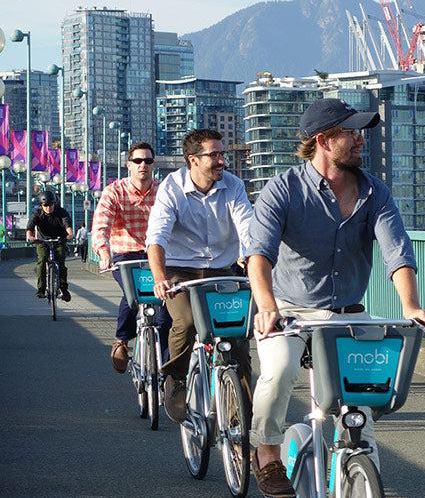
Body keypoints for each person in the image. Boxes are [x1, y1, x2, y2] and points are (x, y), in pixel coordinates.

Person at [245, 97, 425, 498]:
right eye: (350, 133)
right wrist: (266, 306)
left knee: (359, 414)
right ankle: (265, 452)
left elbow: (396, 252)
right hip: (290, 311)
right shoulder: (283, 190)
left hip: (348, 313)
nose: (359, 140)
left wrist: (411, 305)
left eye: (359, 132)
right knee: (279, 373)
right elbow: (258, 255)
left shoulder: (373, 192)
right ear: (324, 140)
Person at [146, 128, 254, 423]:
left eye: (223, 154)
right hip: (180, 270)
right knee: (187, 320)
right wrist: (160, 278)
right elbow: (156, 237)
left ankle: (242, 414)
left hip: (221, 269)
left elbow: (247, 226)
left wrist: (250, 257)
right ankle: (176, 378)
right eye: (214, 155)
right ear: (193, 160)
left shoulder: (233, 185)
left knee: (238, 339)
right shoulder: (172, 188)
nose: (222, 161)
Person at [92, 141, 170, 374]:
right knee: (132, 294)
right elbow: (101, 224)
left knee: (165, 308)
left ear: (154, 164)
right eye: (137, 161)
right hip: (126, 255)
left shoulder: (164, 190)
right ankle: (121, 340)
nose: (142, 165)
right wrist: (104, 253)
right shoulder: (114, 191)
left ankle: (167, 370)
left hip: (158, 253)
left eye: (147, 161)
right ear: (129, 165)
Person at [26, 190, 74, 300]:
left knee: (61, 260)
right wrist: (31, 236)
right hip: (43, 241)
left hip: (59, 240)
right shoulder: (37, 214)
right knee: (42, 260)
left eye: (50, 205)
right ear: (41, 205)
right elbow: (29, 228)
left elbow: (68, 226)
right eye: (45, 205)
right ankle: (41, 289)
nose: (48, 208)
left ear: (54, 204)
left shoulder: (61, 212)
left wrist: (70, 235)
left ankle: (63, 288)